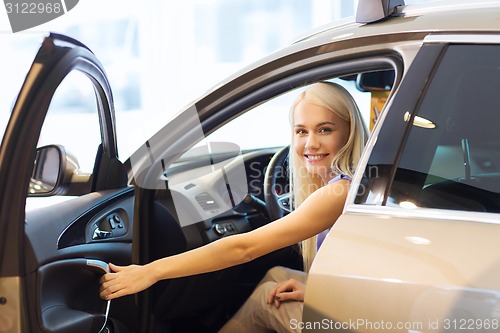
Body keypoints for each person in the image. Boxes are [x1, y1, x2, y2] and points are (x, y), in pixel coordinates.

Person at [99, 82, 368, 330]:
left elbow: (243, 249)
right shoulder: (356, 183)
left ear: (349, 130)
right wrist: (316, 289)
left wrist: (151, 271)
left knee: (266, 298)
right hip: (366, 303)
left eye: (325, 130)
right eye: (301, 131)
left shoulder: (338, 192)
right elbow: (363, 272)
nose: (311, 143)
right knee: (276, 275)